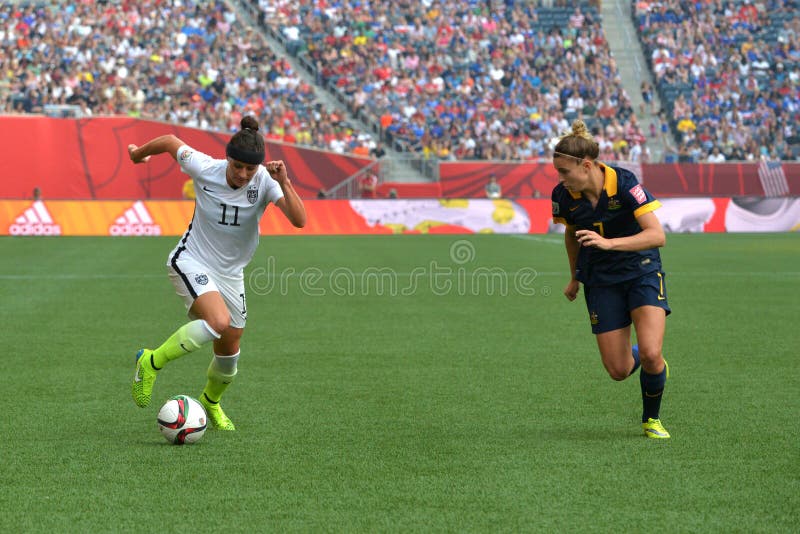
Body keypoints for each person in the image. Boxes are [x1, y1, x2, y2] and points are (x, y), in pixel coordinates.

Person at [127, 116, 306, 430]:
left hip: (231, 273)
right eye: (237, 166)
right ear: (228, 158)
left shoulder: (265, 180)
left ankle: (210, 402)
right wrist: (137, 154)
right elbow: (169, 141)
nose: (242, 174)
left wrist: (284, 183)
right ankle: (151, 361)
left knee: (229, 352)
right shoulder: (204, 167)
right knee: (217, 321)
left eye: (250, 169)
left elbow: (299, 220)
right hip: (192, 259)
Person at [550, 120, 672, 439]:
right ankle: (649, 359)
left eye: (564, 171)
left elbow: (657, 235)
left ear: (586, 165)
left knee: (650, 353)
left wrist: (609, 244)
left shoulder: (625, 182)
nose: (560, 179)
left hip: (641, 270)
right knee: (618, 371)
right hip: (600, 279)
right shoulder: (564, 197)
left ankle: (651, 419)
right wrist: (574, 276)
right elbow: (571, 234)